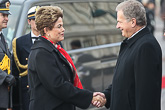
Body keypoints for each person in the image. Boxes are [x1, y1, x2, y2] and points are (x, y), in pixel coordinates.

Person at [27, 6, 106, 110]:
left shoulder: (52, 49)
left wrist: (88, 96)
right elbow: (58, 86)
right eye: (59, 26)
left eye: (62, 26)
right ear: (46, 30)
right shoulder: (42, 53)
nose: (63, 29)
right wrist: (89, 97)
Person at [93, 0, 162, 110]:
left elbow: (146, 95)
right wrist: (107, 95)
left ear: (133, 22)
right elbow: (124, 82)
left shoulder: (146, 47)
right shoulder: (132, 42)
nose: (117, 26)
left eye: (120, 22)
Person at [12, 6, 40, 110]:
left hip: (47, 91)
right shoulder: (19, 42)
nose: (38, 22)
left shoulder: (52, 39)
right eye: (35, 20)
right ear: (29, 21)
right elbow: (15, 72)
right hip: (28, 92)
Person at [0, 0, 16, 110]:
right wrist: (5, 77)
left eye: (7, 15)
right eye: (3, 15)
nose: (7, 18)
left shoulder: (2, 38)